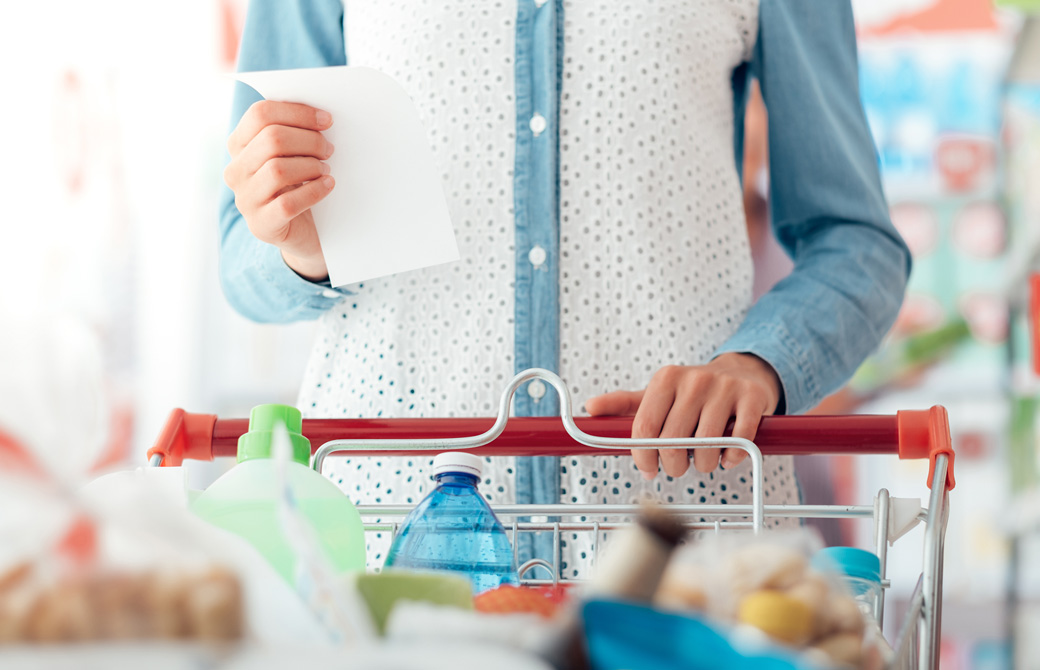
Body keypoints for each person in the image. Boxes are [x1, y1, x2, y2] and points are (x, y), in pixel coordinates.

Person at [219, 0, 909, 576]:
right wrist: (300, 250)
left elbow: (855, 241)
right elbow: (241, 262)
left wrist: (758, 364)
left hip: (679, 550)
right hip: (386, 540)